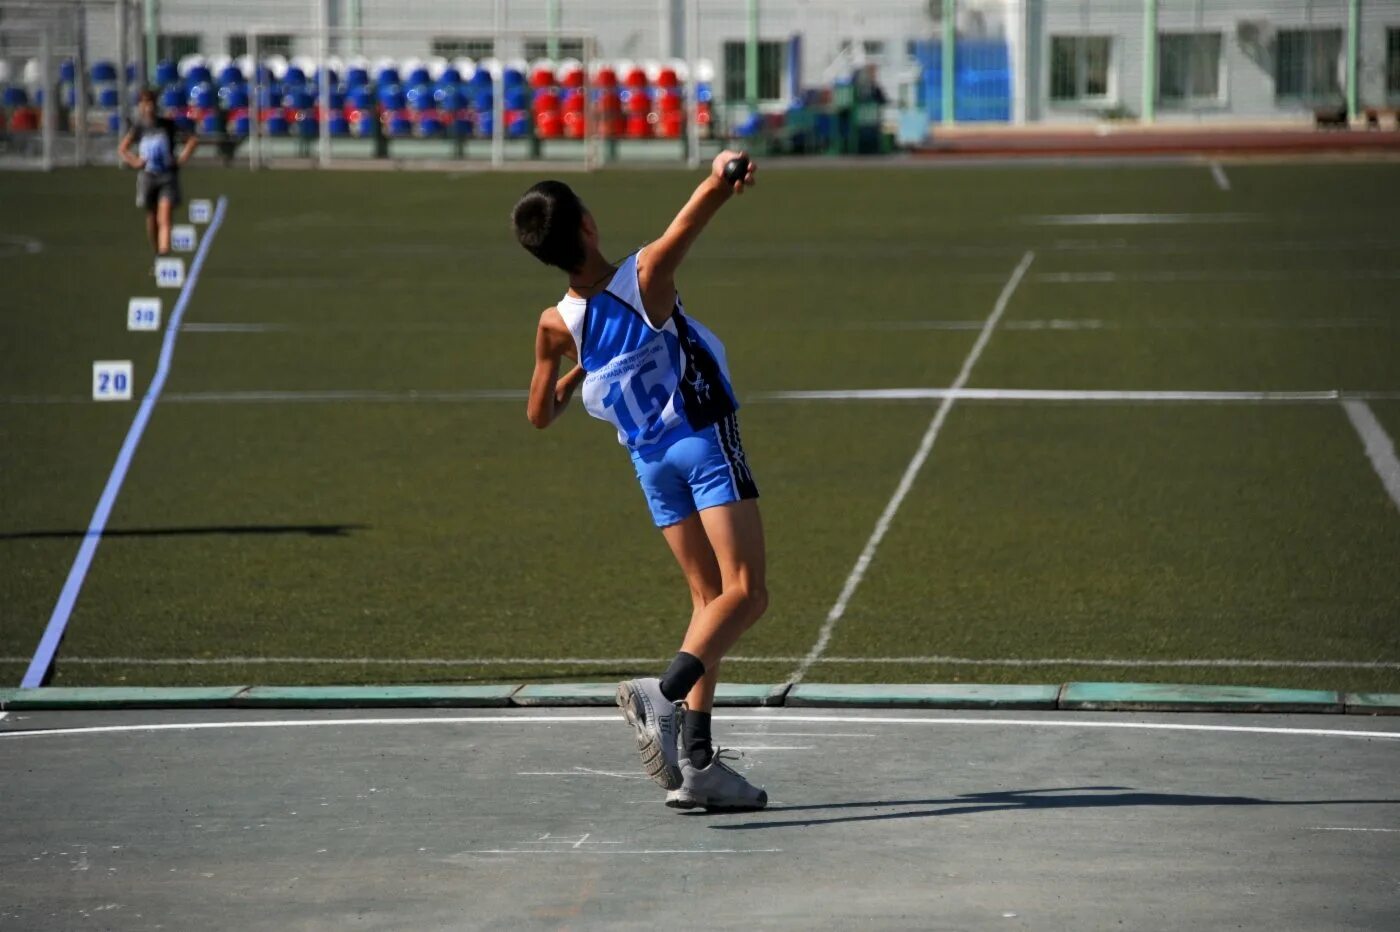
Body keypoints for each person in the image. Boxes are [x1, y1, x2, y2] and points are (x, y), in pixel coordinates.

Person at [512, 151, 769, 811]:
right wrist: (725, 171)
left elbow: (538, 416)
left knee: (706, 599)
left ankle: (698, 764)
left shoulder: (553, 325)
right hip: (702, 438)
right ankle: (665, 691)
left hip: (650, 465)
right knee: (746, 593)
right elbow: (699, 210)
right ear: (590, 225)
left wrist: (579, 371)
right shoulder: (644, 274)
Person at [118, 89, 198, 262]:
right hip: (148, 177)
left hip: (167, 176)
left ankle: (164, 253)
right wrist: (135, 161)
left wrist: (181, 159)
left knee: (165, 215)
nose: (149, 107)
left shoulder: (167, 125)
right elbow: (123, 148)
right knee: (152, 218)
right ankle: (157, 250)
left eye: (151, 103)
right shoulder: (139, 127)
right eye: (145, 103)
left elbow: (191, 140)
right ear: (140, 106)